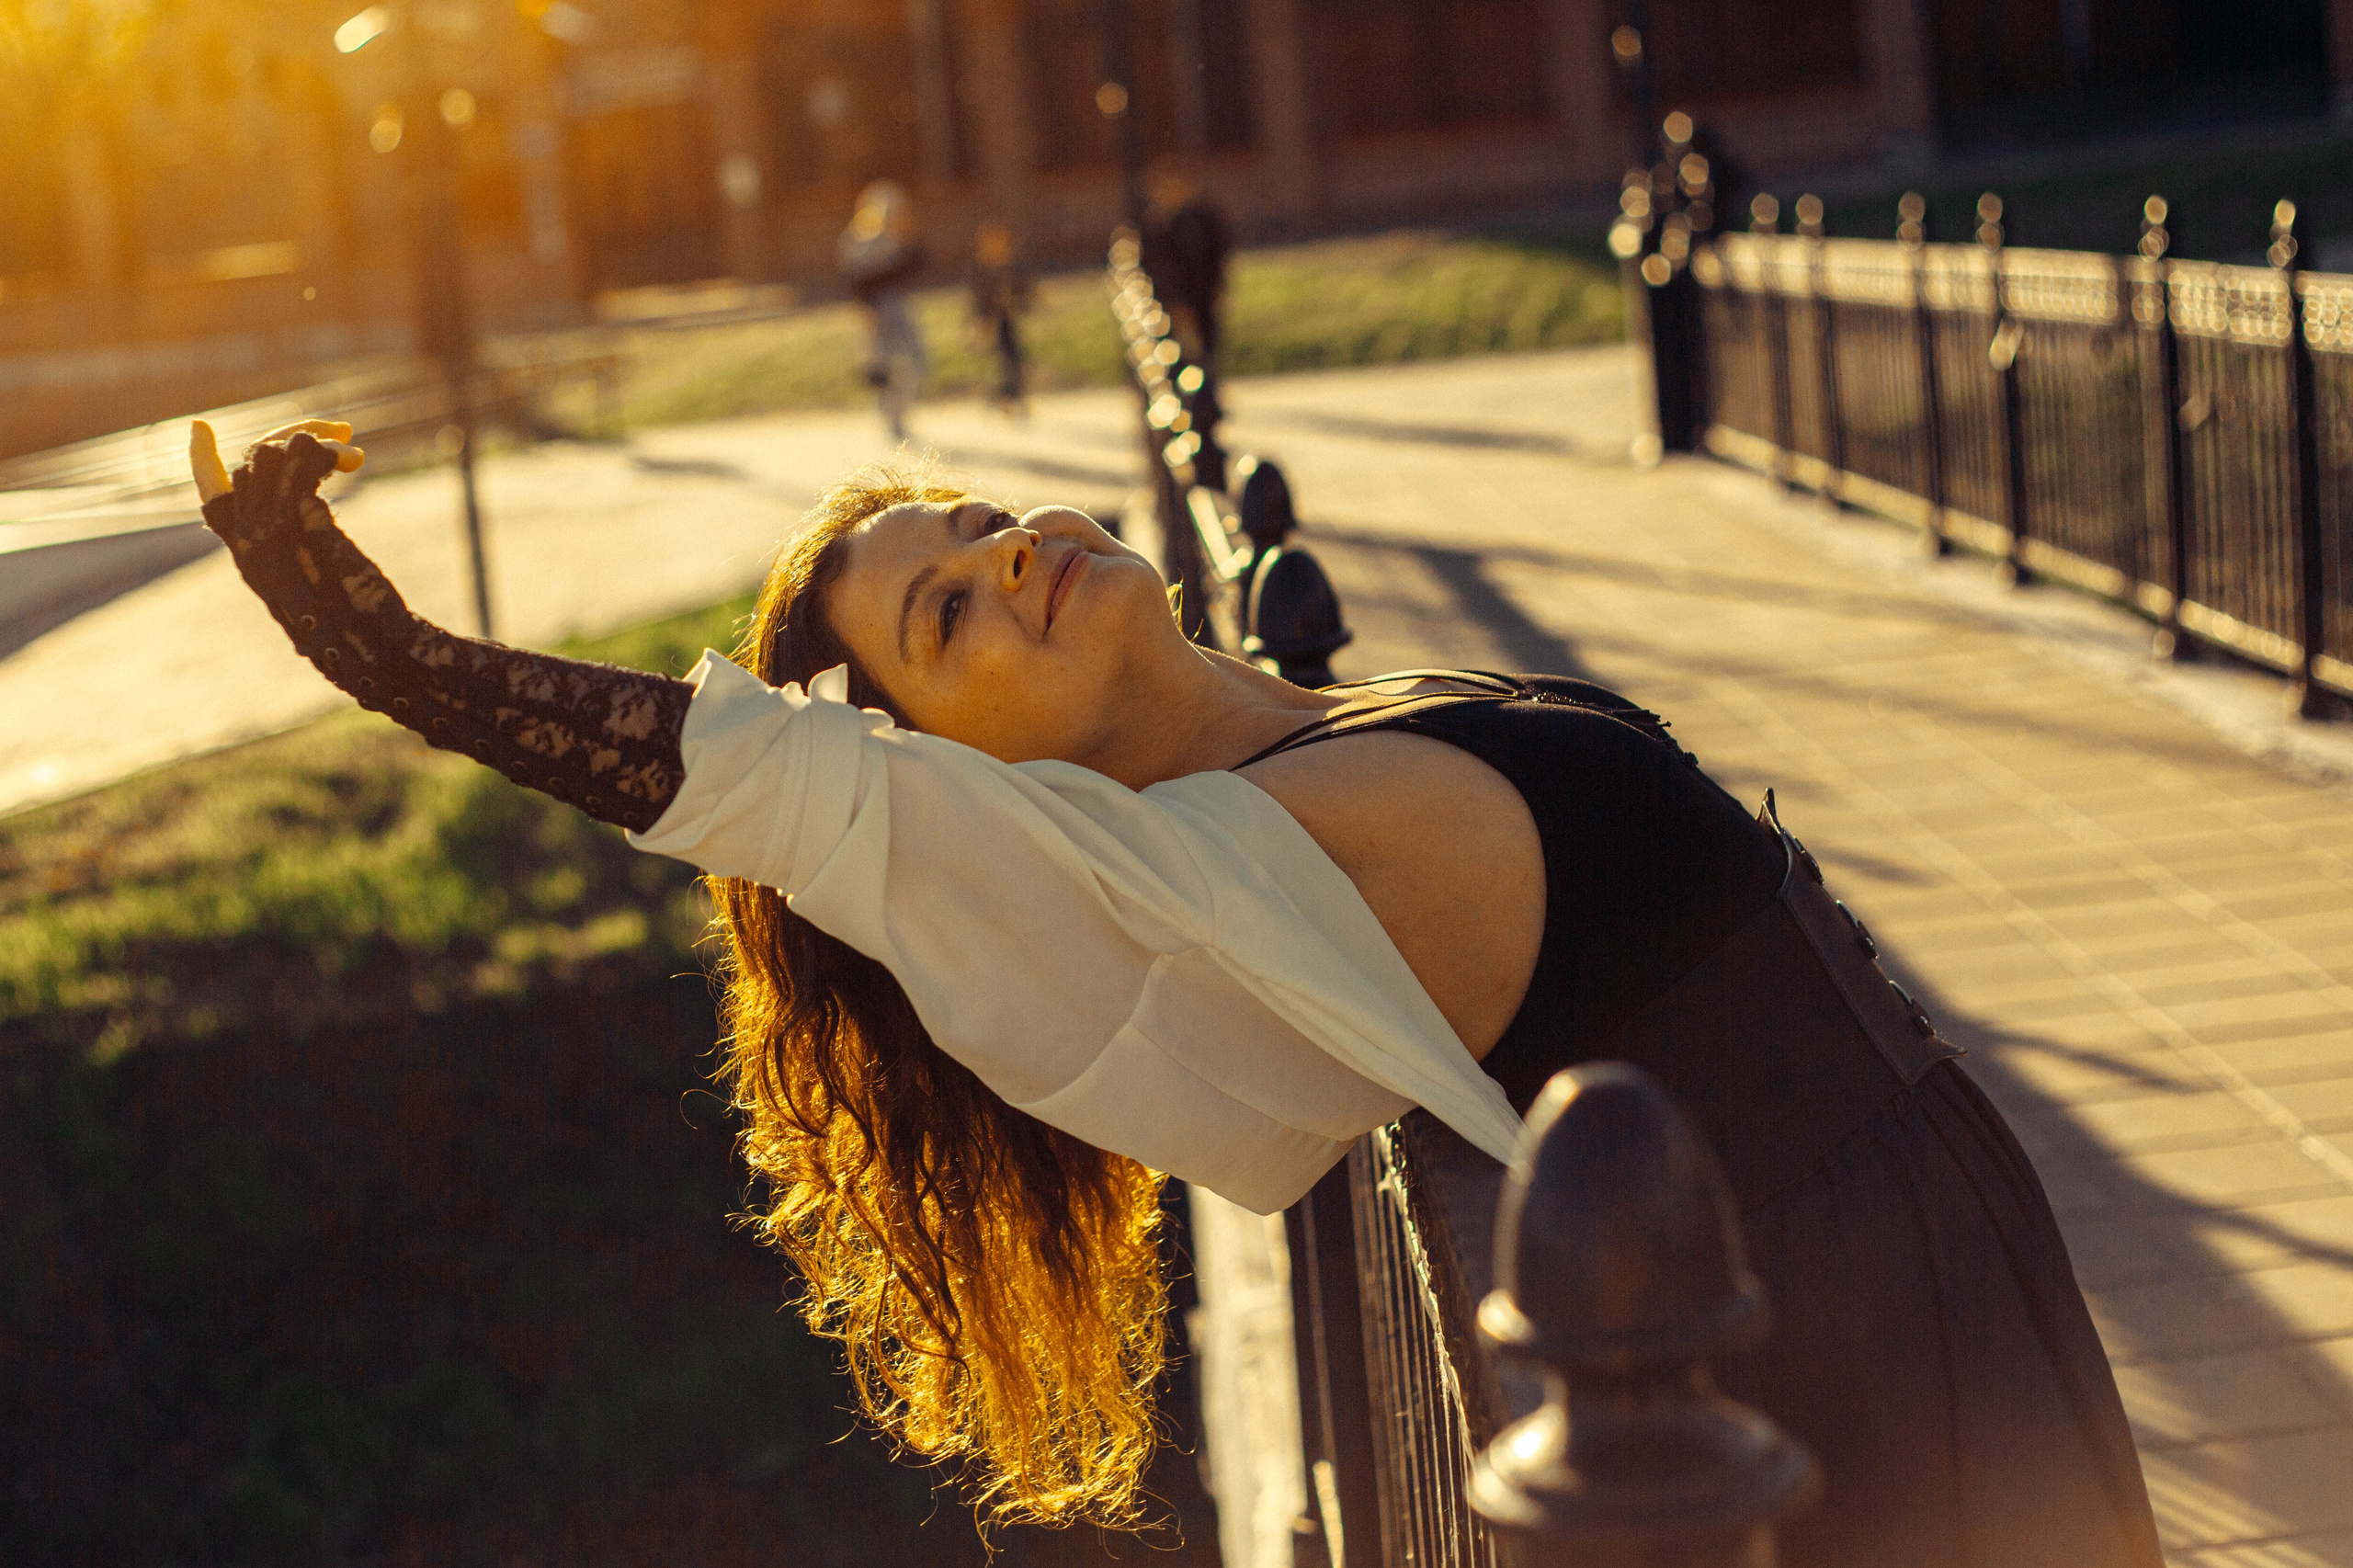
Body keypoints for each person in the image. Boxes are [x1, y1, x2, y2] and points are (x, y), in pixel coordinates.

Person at [188, 419, 2165, 1568]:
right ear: (953, 777)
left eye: (978, 524)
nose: (1003, 557)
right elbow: (801, 797)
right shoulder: (1237, 863)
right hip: (1808, 1345)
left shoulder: (1327, 723)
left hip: (1903, 1243)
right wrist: (397, 657)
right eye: (942, 612)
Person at [837, 179, 927, 442]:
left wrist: (908, 241)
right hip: (876, 313)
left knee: (916, 362)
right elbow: (857, 283)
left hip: (899, 309)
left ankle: (897, 413)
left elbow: (916, 266)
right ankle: (889, 417)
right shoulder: (857, 242)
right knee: (879, 367)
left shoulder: (900, 239)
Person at [1138, 157, 1230, 370]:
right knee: (1177, 352)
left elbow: (1218, 255)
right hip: (1172, 299)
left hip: (1201, 295)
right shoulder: (1157, 226)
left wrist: (1218, 286)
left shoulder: (1204, 219)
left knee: (1206, 347)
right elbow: (1153, 266)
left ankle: (1208, 380)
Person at [968, 221, 1032, 418]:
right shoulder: (983, 270)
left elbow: (1023, 291)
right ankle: (1000, 396)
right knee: (999, 360)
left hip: (1008, 319)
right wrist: (980, 322)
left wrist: (1020, 302)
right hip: (992, 321)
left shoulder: (1010, 267)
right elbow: (978, 299)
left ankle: (1012, 395)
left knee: (1014, 357)